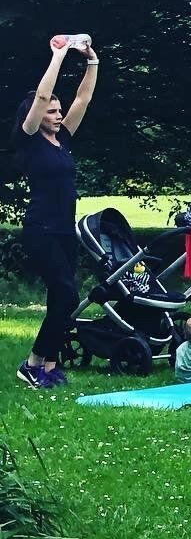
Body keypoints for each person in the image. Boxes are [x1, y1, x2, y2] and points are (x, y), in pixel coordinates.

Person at [12, 37, 100, 389]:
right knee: (68, 295)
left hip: (64, 230)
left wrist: (92, 61)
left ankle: (49, 364)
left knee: (60, 299)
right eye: (50, 110)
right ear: (35, 114)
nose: (56, 113)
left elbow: (84, 98)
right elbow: (43, 95)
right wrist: (59, 56)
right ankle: (32, 364)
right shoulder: (30, 137)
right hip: (41, 229)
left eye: (57, 111)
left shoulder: (61, 140)